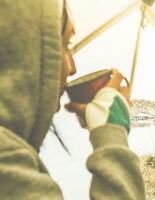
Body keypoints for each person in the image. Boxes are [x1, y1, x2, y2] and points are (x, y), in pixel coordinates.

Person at [0, 0, 145, 200]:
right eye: (66, 43)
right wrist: (112, 133)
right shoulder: (5, 161)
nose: (73, 67)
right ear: (24, 50)